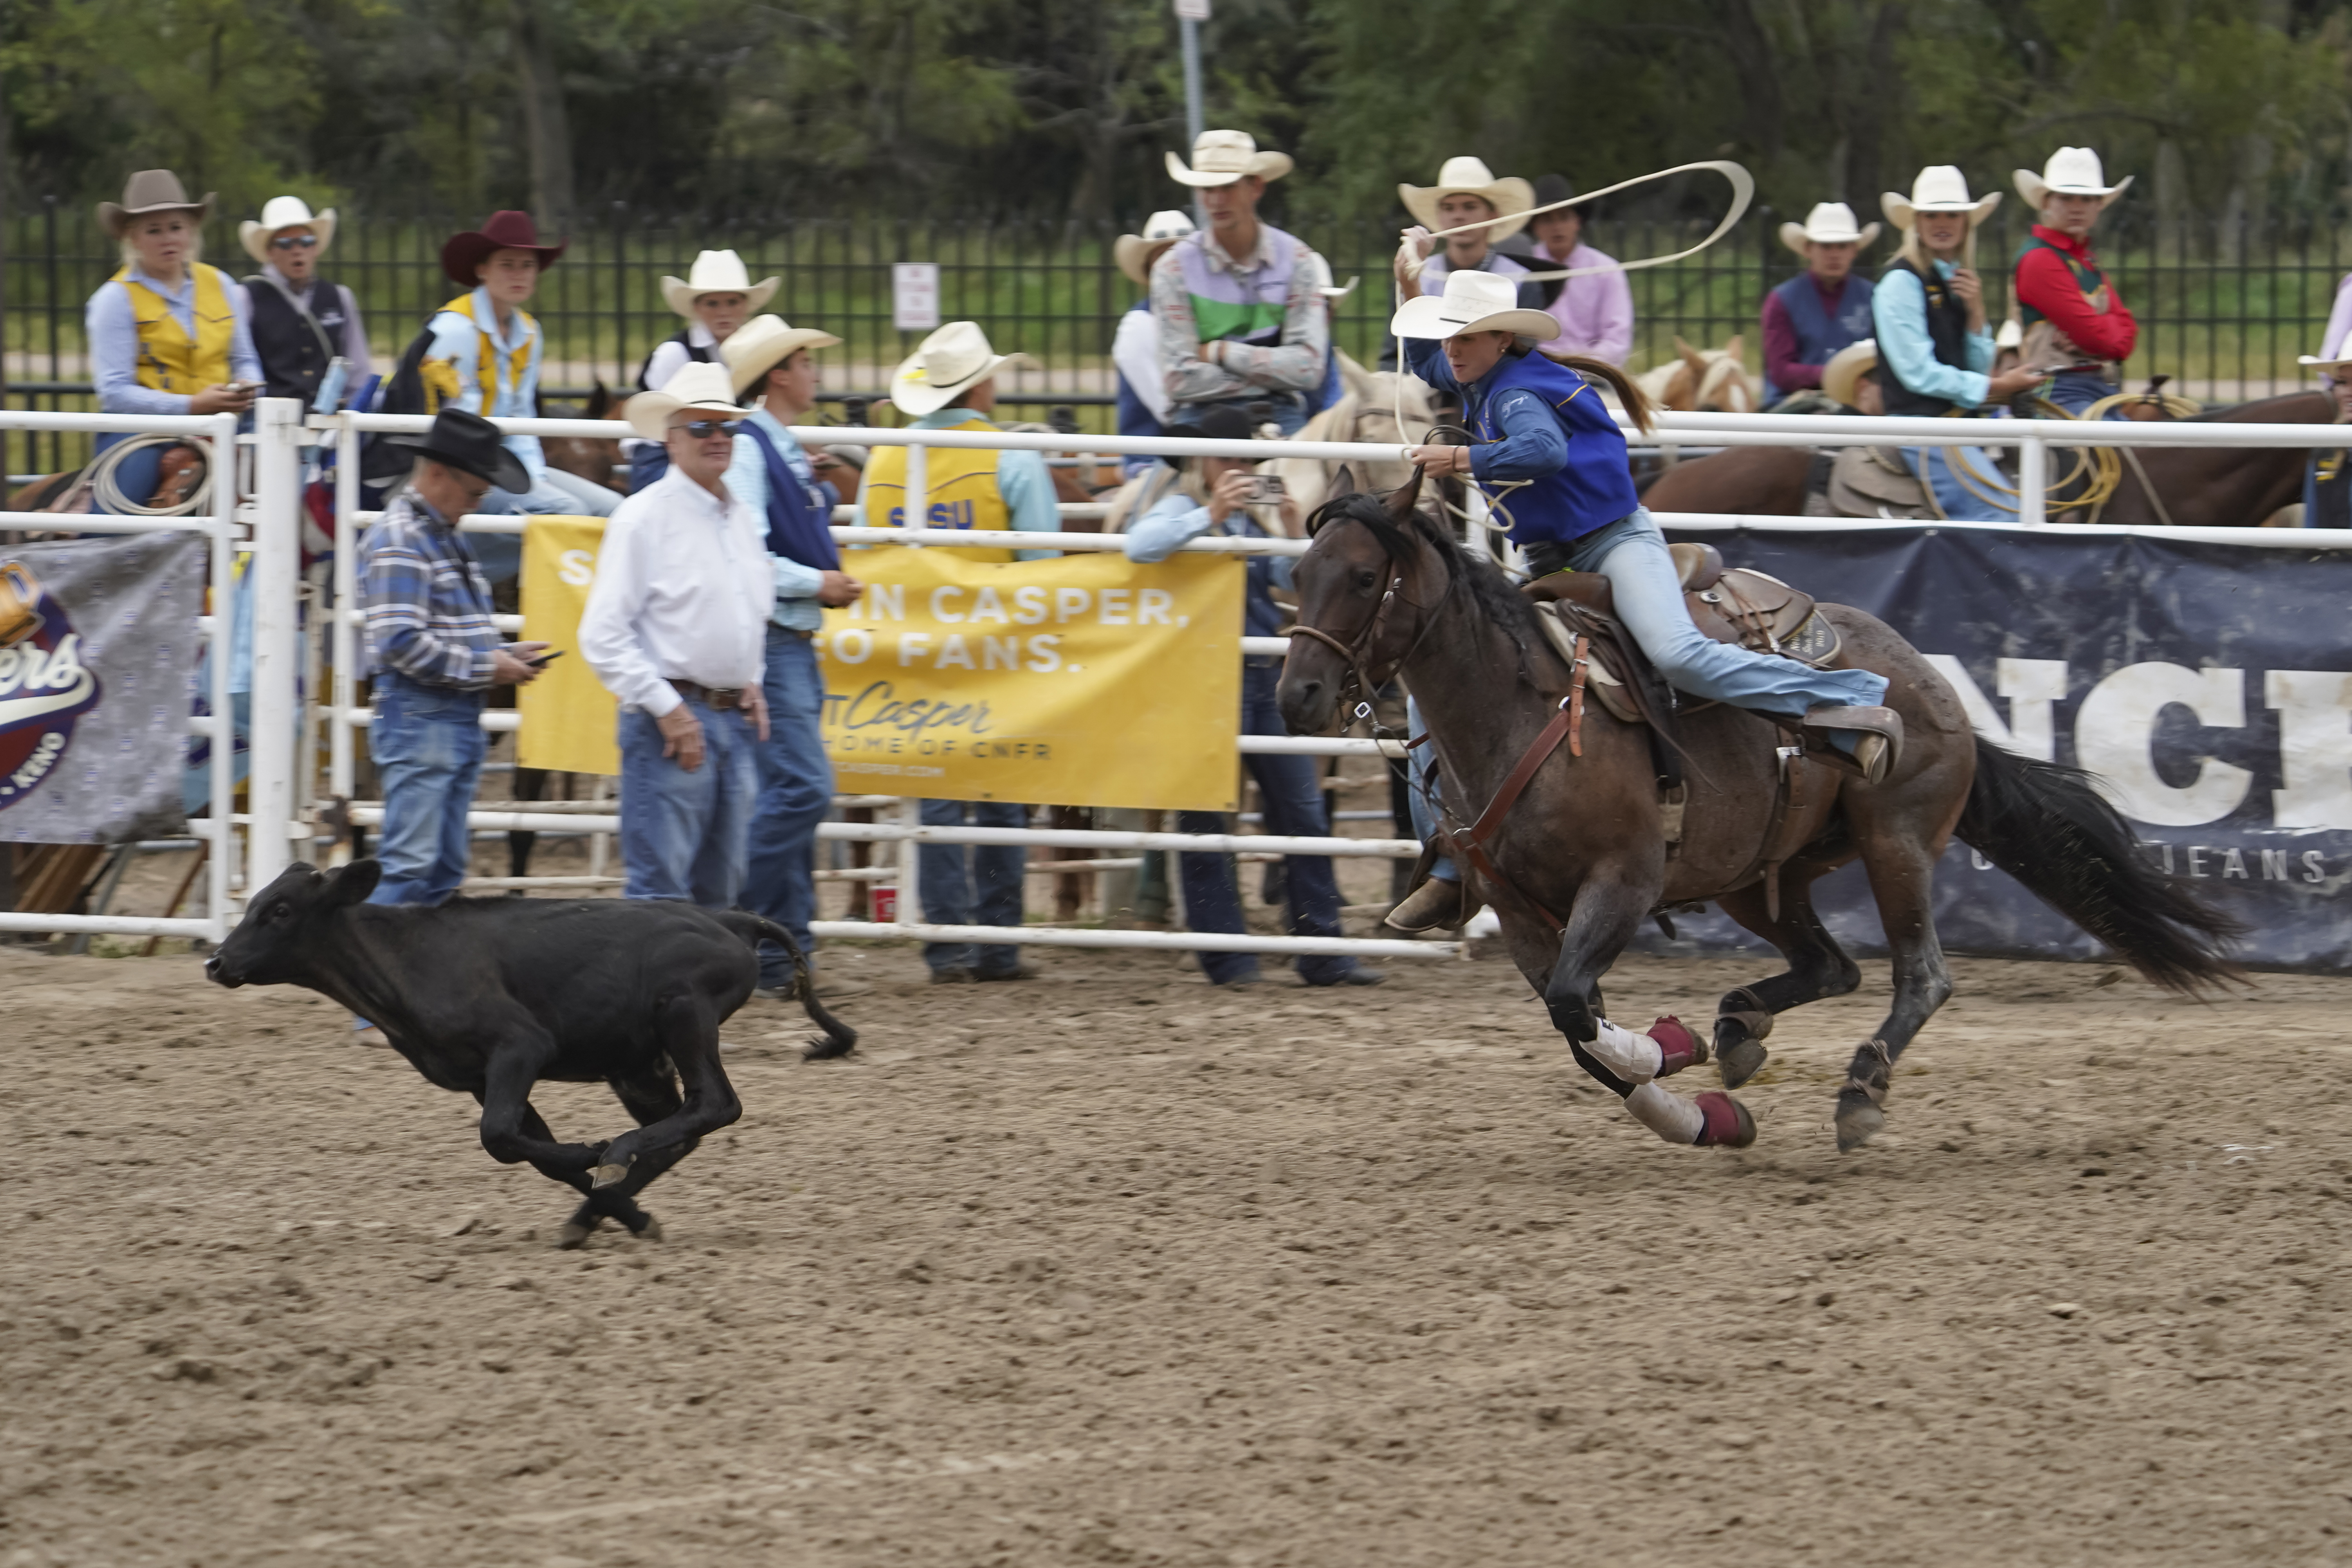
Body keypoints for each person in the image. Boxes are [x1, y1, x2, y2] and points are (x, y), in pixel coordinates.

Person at [1379, 264, 1899, 933]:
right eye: (1452, 335)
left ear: (1504, 339)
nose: (1453, 347)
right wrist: (1411, 282)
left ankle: (1848, 699)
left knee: (1677, 654)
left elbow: (1541, 452)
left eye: (1467, 336)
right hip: (1555, 557)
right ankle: (1452, 861)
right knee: (1438, 690)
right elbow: (1427, 361)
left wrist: (1463, 462)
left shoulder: (1513, 395)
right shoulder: (1482, 368)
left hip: (1613, 543)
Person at [1121, 404, 1381, 988]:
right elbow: (1140, 545)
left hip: (1256, 674)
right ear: (1202, 462)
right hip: (1208, 681)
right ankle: (1235, 954)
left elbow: (1289, 579)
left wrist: (1293, 530)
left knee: (1300, 812)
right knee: (1209, 818)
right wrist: (1209, 516)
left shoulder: (1242, 520)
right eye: (1227, 457)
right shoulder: (1184, 510)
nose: (1238, 466)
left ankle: (1317, 949)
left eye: (1244, 458)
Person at [860, 321, 1057, 982]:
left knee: (935, 792)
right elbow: (1044, 566)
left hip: (910, 643)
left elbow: (865, 550)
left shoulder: (885, 457)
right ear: (984, 385)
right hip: (993, 646)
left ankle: (946, 942)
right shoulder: (1012, 457)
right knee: (1001, 784)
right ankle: (997, 940)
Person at [579, 363, 772, 907]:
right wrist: (668, 708)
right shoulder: (643, 519)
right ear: (670, 438)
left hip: (721, 716)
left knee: (721, 885)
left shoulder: (733, 515)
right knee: (664, 890)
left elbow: (747, 606)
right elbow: (602, 634)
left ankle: (694, 992)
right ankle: (661, 994)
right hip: (675, 720)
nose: (718, 439)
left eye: (727, 428)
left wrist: (750, 678)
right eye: (702, 428)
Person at [720, 313, 862, 996]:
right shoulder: (757, 449)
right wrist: (820, 581)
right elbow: (749, 553)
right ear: (779, 373)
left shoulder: (768, 447)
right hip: (779, 637)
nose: (815, 373)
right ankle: (736, 925)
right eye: (806, 363)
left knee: (792, 796)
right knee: (802, 790)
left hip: (788, 638)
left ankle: (783, 956)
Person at [358, 408, 550, 909]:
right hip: (428, 716)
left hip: (435, 716)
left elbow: (421, 635)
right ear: (438, 474)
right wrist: (492, 666)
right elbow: (399, 641)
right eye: (474, 491)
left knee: (434, 867)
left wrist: (501, 653)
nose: (477, 502)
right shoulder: (405, 539)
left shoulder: (432, 534)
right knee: (415, 866)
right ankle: (369, 973)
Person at [424, 211, 620, 578]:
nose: (519, 274)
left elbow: (522, 417)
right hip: (457, 469)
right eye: (508, 264)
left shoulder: (530, 332)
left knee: (615, 511)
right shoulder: (455, 329)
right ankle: (458, 574)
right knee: (567, 513)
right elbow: (454, 427)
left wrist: (533, 479)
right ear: (483, 270)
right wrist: (527, 487)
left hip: (504, 464)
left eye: (527, 265)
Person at [1870, 167, 2043, 519]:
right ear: (1916, 223)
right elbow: (1918, 374)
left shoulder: (1954, 281)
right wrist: (1999, 386)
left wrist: (1977, 314)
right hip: (1922, 426)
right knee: (2002, 517)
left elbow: (1975, 368)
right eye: (1931, 215)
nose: (1942, 223)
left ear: (1966, 223)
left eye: (1953, 214)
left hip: (1956, 423)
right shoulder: (1901, 282)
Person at [86, 170, 261, 510]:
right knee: (120, 510)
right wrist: (190, 406)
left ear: (191, 231)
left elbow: (245, 357)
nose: (168, 239)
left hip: (224, 428)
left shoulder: (221, 284)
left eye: (176, 228)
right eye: (154, 231)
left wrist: (249, 386)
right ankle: (97, 549)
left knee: (286, 495)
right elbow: (114, 391)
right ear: (132, 238)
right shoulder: (115, 299)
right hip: (143, 435)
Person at [1153, 129, 1330, 437]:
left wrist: (1221, 353)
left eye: (1228, 186)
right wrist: (1271, 373)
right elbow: (1178, 378)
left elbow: (1309, 370)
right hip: (1199, 417)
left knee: (1323, 481)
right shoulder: (1173, 268)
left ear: (1256, 187)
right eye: (1206, 188)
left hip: (1279, 412)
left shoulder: (1298, 260)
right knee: (1167, 488)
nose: (1216, 199)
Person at [627, 249, 778, 492]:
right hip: (660, 456)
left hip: (717, 452)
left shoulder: (750, 353)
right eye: (712, 303)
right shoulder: (674, 354)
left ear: (746, 306)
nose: (724, 312)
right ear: (696, 308)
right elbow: (661, 427)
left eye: (733, 302)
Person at [2012, 147, 2138, 416]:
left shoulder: (2088, 260)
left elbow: (2127, 335)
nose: (2077, 208)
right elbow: (2097, 338)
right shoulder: (2039, 259)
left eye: (2087, 199)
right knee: (2117, 453)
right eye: (2066, 198)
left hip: (2101, 386)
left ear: (2099, 205)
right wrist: (2103, 331)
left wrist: (2100, 334)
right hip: (2056, 389)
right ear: (2046, 203)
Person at [237, 196, 368, 409]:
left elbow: (358, 371)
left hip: (330, 423)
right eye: (285, 244)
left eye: (306, 242)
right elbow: (241, 365)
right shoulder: (246, 297)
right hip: (271, 423)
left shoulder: (340, 297)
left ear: (316, 248)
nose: (297, 250)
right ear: (270, 252)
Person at [1760, 202, 1880, 409]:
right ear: (1808, 249)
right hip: (1793, 404)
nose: (1834, 254)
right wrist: (1837, 375)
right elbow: (1781, 371)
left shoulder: (1875, 297)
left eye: (1842, 246)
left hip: (1858, 403)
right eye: (1825, 246)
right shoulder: (1782, 300)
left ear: (1855, 250)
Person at [1113, 211, 1197, 476]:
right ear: (1151, 272)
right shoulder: (1138, 327)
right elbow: (1171, 409)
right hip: (1152, 463)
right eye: (1165, 260)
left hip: (1200, 456)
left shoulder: (1201, 319)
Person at [1398, 158, 1546, 307]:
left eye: (1470, 207)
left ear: (1493, 216)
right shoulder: (1416, 275)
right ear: (1439, 217)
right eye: (1449, 208)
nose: (1458, 216)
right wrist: (1410, 288)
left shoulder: (1520, 281)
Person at [1522, 173, 1634, 367]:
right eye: (1547, 219)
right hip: (1534, 372)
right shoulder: (1523, 269)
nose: (1557, 227)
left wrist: (1581, 368)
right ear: (1535, 227)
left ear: (1577, 222)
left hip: (1592, 375)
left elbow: (1617, 338)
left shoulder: (1606, 270)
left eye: (1564, 217)